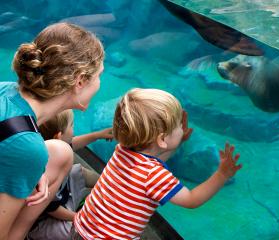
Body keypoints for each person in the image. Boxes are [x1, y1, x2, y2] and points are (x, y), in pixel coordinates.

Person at [72, 88, 242, 239]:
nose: (182, 128)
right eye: (178, 126)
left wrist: (177, 141)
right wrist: (222, 174)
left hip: (81, 228)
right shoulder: (154, 176)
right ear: (161, 139)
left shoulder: (122, 150)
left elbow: (155, 159)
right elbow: (191, 200)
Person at [0, 22, 104, 240]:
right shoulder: (27, 147)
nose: (100, 83)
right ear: (80, 81)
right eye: (98, 76)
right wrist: (28, 162)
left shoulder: (5, 89)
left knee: (59, 153)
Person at [27, 109, 112, 240]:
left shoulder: (50, 146)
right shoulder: (45, 173)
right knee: (72, 232)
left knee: (77, 171)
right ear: (58, 136)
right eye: (72, 125)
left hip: (63, 199)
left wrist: (97, 135)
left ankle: (110, 186)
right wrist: (79, 218)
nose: (74, 128)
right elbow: (52, 209)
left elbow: (71, 143)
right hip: (44, 221)